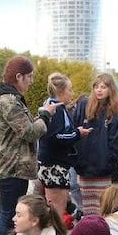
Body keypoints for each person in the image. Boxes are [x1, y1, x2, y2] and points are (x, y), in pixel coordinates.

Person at [0, 55, 56, 235]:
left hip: (11, 166)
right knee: (9, 215)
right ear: (18, 77)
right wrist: (45, 115)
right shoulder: (9, 101)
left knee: (9, 214)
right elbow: (29, 132)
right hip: (12, 167)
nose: (31, 81)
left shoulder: (9, 99)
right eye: (29, 76)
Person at [72, 74, 118, 215]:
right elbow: (74, 132)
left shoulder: (115, 113)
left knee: (103, 211)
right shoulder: (84, 106)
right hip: (84, 171)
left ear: (111, 89)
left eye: (103, 87)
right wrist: (78, 161)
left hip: (104, 173)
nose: (99, 90)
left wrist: (107, 164)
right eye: (96, 87)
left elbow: (117, 145)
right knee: (87, 212)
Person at [37, 73, 91, 221]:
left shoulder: (51, 105)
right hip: (55, 165)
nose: (71, 93)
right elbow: (55, 136)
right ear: (61, 91)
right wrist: (77, 134)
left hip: (51, 164)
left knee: (55, 209)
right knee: (56, 213)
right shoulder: (57, 109)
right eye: (70, 90)